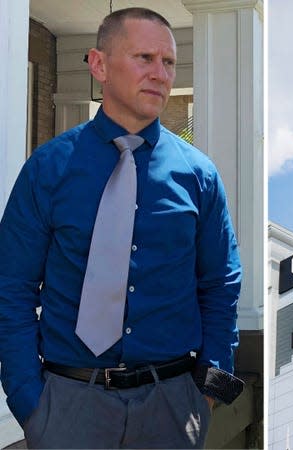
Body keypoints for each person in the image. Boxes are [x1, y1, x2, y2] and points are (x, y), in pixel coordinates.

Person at [0, 7, 243, 449]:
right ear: (99, 65)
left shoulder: (199, 175)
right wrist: (27, 399)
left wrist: (207, 393)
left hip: (172, 407)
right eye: (144, 58)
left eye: (168, 62)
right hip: (67, 407)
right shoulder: (47, 169)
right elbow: (10, 285)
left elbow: (221, 286)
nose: (160, 74)